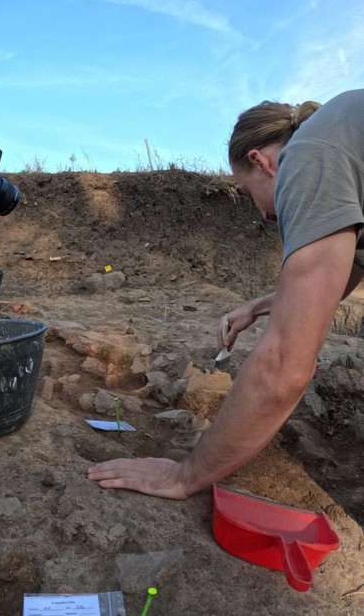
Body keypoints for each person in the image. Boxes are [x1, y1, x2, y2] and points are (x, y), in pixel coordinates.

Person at [88, 90, 364, 499]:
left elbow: (284, 368)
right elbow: (350, 268)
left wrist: (187, 475)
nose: (262, 214)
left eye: (249, 192)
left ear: (260, 161)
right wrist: (264, 304)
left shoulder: (307, 156)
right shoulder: (344, 135)